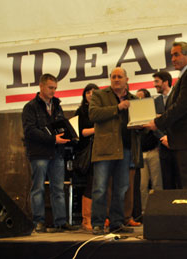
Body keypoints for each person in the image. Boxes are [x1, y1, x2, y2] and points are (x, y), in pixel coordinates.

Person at [144, 42, 187, 189]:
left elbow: (181, 107)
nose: (173, 59)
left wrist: (157, 122)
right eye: (171, 56)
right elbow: (176, 106)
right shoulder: (185, 75)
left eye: (176, 54)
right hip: (186, 140)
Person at [89, 67, 142, 235]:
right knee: (100, 188)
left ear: (127, 80)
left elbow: (140, 123)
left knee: (121, 188)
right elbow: (93, 114)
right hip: (105, 149)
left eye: (120, 77)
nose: (116, 79)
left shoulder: (134, 99)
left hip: (126, 150)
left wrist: (142, 125)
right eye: (113, 77)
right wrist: (117, 107)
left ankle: (117, 223)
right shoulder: (99, 95)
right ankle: (97, 223)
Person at [22, 73, 77, 232]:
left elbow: (59, 125)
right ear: (41, 86)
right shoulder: (30, 107)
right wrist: (53, 139)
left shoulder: (57, 105)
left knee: (58, 189)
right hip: (39, 153)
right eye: (50, 87)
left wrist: (69, 136)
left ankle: (60, 221)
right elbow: (30, 131)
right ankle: (38, 221)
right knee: (38, 188)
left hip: (56, 153)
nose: (53, 91)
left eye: (55, 88)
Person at [74, 83, 99, 231]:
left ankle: (99, 217)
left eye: (93, 92)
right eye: (87, 92)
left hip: (103, 150)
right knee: (90, 184)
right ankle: (86, 220)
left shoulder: (101, 109)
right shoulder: (81, 111)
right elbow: (80, 132)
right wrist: (97, 129)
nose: (90, 94)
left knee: (101, 186)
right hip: (87, 151)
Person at [152, 71, 181, 189]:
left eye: (157, 81)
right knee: (167, 182)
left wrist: (172, 138)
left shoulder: (178, 97)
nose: (154, 85)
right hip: (163, 147)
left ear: (166, 82)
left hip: (179, 146)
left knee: (181, 181)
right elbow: (153, 122)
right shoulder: (155, 101)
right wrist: (162, 137)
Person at [136, 89, 163, 214]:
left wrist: (159, 144)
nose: (139, 100)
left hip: (153, 151)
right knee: (142, 185)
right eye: (137, 98)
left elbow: (158, 130)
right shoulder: (134, 113)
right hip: (141, 154)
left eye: (141, 98)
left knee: (157, 183)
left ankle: (158, 210)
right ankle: (144, 211)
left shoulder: (152, 112)